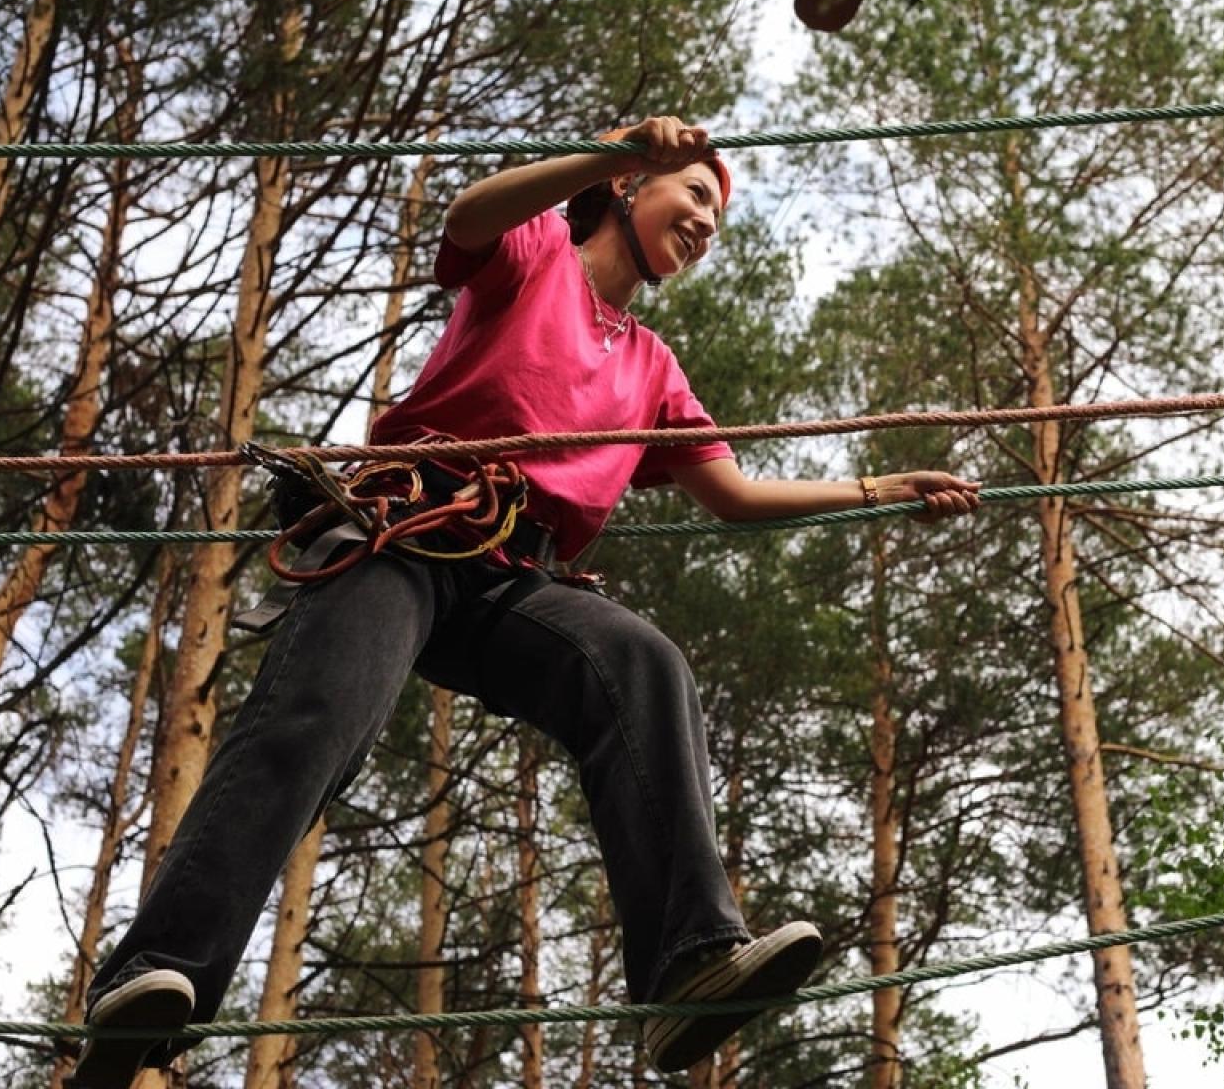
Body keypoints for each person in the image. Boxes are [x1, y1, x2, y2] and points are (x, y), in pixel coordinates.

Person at [71, 117, 981, 1087]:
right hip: (406, 535)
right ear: (630, 188)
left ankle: (689, 965)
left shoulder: (654, 369)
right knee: (314, 719)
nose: (710, 222)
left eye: (721, 212)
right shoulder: (537, 250)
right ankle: (158, 971)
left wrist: (882, 491)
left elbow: (738, 497)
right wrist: (613, 147)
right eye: (697, 195)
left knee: (642, 662)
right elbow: (468, 215)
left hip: (517, 580)